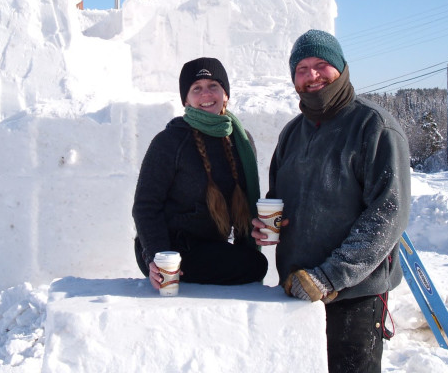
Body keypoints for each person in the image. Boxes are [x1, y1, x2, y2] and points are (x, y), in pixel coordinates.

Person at [252, 29, 411, 373]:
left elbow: (387, 216)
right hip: (296, 291)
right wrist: (268, 226)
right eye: (302, 69)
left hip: (354, 297)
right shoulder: (292, 133)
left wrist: (329, 277)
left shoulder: (374, 127)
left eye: (321, 65)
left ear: (341, 67)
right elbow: (278, 198)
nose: (312, 76)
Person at [133, 57, 268, 291]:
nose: (206, 94)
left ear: (225, 94)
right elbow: (145, 205)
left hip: (210, 245)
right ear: (186, 99)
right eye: (197, 89)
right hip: (168, 250)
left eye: (213, 86)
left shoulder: (241, 141)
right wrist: (155, 257)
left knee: (253, 263)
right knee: (253, 266)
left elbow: (246, 200)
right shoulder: (169, 142)